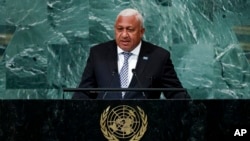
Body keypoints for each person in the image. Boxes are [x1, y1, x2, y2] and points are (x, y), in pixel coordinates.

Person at [72, 8, 190, 99]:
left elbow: (177, 96)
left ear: (141, 32)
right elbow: (83, 94)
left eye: (130, 29)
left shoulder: (159, 57)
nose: (124, 35)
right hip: (105, 125)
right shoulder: (98, 54)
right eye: (120, 29)